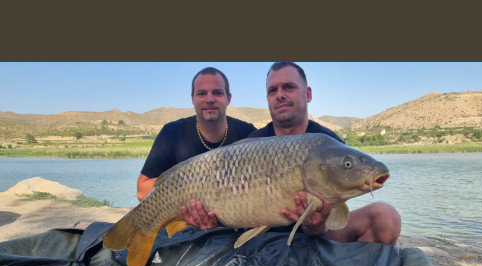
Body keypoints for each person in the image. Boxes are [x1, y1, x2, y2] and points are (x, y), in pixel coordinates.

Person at [189, 62, 400, 245]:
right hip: (263, 239)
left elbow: (333, 219)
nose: (279, 94)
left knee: (386, 219)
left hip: (319, 235)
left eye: (288, 87)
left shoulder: (330, 143)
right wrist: (211, 218)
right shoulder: (253, 144)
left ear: (307, 94)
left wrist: (316, 226)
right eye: (272, 90)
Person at [137, 67, 256, 228]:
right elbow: (142, 190)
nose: (210, 99)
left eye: (217, 93)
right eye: (202, 93)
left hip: (235, 231)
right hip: (187, 231)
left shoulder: (248, 133)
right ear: (192, 98)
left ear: (228, 98)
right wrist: (189, 189)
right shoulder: (172, 132)